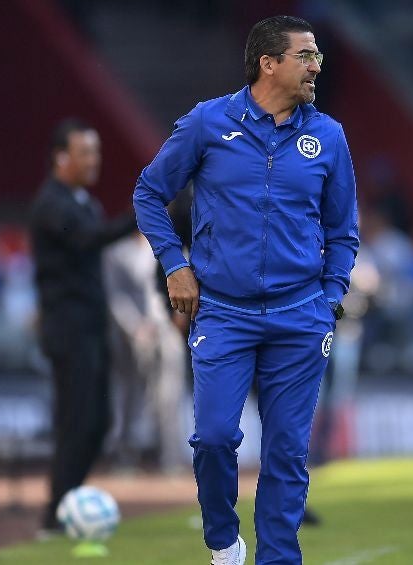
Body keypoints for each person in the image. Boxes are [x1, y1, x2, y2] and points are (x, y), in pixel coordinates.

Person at [132, 15, 358, 564]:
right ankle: (223, 542)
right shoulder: (208, 123)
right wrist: (174, 264)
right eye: (305, 55)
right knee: (213, 438)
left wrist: (329, 299)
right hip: (224, 314)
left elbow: (343, 231)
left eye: (318, 56)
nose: (316, 66)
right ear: (269, 62)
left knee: (286, 453)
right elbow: (148, 193)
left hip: (301, 313)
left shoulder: (327, 136)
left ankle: (278, 558)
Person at [29, 118, 137, 536]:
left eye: (96, 152)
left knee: (99, 421)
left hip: (91, 327)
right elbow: (90, 239)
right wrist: (141, 215)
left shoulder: (82, 202)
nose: (94, 161)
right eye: (85, 152)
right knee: (77, 421)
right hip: (69, 329)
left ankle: (66, 500)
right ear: (61, 158)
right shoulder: (52, 204)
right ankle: (56, 512)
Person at [104, 232, 188, 474]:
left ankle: (170, 458)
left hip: (165, 327)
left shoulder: (172, 243)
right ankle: (125, 456)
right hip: (132, 334)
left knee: (169, 395)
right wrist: (135, 327)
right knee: (131, 394)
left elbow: (184, 281)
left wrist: (179, 317)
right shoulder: (118, 251)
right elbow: (116, 296)